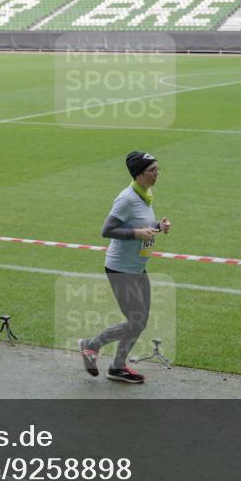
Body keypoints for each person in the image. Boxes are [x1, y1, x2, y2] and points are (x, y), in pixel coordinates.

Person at [78, 151, 170, 384]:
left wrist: (158, 225)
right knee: (136, 321)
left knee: (140, 320)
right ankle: (91, 345)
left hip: (137, 267)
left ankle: (117, 367)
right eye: (152, 171)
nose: (157, 174)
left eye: (158, 170)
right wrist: (136, 233)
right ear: (139, 174)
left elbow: (141, 223)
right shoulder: (127, 198)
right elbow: (106, 230)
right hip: (121, 269)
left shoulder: (146, 194)